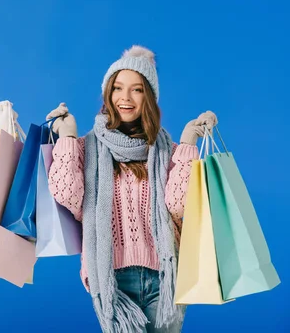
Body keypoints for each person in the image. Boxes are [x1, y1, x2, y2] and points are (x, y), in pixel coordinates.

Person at [46, 45, 217, 333]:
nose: (125, 98)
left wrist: (188, 145)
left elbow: (179, 205)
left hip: (165, 278)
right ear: (108, 94)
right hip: (112, 279)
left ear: (148, 97)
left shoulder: (167, 150)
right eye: (118, 88)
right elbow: (67, 194)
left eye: (136, 89)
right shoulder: (86, 149)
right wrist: (67, 136)